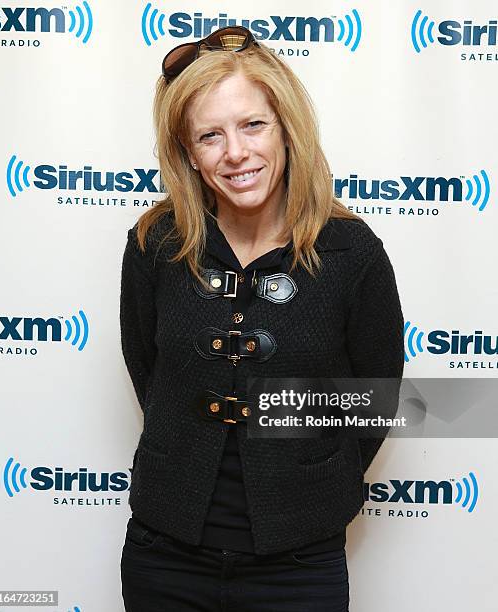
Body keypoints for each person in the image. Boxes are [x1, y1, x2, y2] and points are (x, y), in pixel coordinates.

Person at [119, 26, 404, 612]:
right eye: (210, 136)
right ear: (189, 155)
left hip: (299, 564)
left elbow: (375, 398)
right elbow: (149, 372)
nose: (236, 153)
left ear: (287, 131)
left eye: (253, 125)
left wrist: (313, 484)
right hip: (164, 556)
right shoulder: (156, 244)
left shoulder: (353, 253)